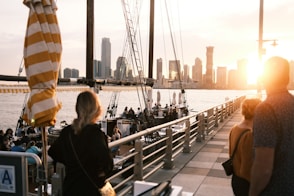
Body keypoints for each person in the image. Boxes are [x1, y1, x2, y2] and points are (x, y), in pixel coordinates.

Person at [48, 90, 114, 196]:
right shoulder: (95, 133)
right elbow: (108, 164)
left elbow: (53, 152)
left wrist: (70, 162)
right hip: (90, 190)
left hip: (70, 188)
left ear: (77, 108)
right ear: (96, 109)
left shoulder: (67, 132)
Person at [249, 56, 294, 196]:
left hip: (274, 189)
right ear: (287, 78)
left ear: (264, 78)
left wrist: (253, 193)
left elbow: (264, 168)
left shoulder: (266, 109)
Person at [229, 98, 261, 196]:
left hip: (236, 179)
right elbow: (246, 169)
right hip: (246, 184)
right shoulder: (249, 135)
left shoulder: (234, 128)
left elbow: (231, 154)